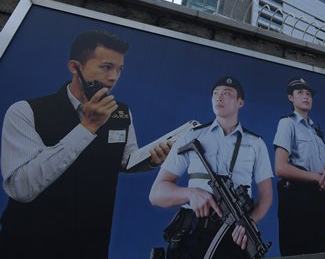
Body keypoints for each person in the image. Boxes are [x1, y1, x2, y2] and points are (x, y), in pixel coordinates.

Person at [0, 29, 172, 259]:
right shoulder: (25, 111)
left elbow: (124, 159)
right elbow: (21, 188)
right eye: (106, 67)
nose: (113, 77)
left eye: (119, 69)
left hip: (90, 243)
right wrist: (87, 127)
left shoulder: (120, 112)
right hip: (28, 242)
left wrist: (151, 159)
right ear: (75, 67)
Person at [149, 76, 273, 259]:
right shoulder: (191, 137)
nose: (219, 97)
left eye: (227, 93)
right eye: (215, 93)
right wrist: (191, 193)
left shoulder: (256, 143)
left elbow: (266, 196)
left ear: (240, 102)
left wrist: (250, 222)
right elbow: (156, 194)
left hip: (236, 232)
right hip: (193, 231)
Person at [273, 77, 325, 256]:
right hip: (297, 200)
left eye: (308, 94)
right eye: (300, 92)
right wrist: (315, 177)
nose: (306, 96)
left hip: (320, 202)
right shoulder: (287, 123)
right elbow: (280, 167)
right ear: (290, 98)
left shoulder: (317, 132)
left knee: (324, 253)